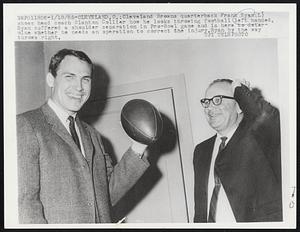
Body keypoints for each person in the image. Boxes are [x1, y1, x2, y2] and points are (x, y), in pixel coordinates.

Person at [17, 49, 151, 224]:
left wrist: (138, 147)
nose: (79, 87)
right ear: (51, 79)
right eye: (69, 77)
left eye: (85, 79)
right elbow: (25, 202)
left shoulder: (92, 135)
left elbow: (106, 194)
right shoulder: (27, 124)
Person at [193, 78, 282, 222]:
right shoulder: (201, 151)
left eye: (217, 100)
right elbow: (200, 208)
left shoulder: (258, 138)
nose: (209, 108)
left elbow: (268, 118)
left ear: (239, 106)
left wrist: (240, 91)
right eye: (206, 102)